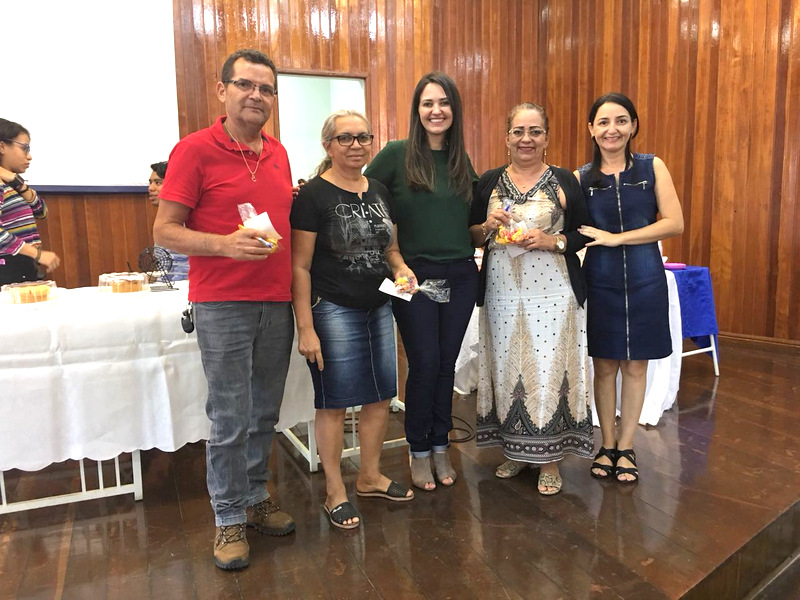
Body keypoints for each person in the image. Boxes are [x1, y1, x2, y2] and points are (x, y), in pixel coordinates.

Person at [153, 48, 295, 570]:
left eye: (266, 88)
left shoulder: (278, 152)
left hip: (276, 301)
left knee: (264, 413)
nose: (256, 95)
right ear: (222, 90)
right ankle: (228, 516)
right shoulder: (193, 150)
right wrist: (223, 244)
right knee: (230, 416)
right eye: (245, 85)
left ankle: (255, 495)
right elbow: (164, 231)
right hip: (222, 305)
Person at [291, 110, 414, 530]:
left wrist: (402, 270)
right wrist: (305, 327)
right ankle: (334, 491)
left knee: (379, 397)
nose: (356, 145)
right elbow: (300, 266)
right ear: (328, 145)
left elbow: (390, 250)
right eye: (345, 138)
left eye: (363, 137)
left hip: (379, 306)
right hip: (332, 310)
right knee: (335, 401)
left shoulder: (378, 190)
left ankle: (369, 476)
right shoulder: (312, 196)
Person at [470, 103, 594, 495]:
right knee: (508, 369)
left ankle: (550, 459)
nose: (527, 139)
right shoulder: (488, 182)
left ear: (546, 137)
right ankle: (515, 451)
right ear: (507, 137)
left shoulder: (563, 180)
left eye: (535, 131)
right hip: (502, 293)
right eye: (519, 131)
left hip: (554, 293)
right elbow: (470, 234)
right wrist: (487, 225)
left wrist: (553, 240)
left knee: (549, 371)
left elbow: (585, 231)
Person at [364, 72, 478, 491]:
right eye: (428, 103)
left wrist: (493, 227)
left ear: (455, 110)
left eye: (444, 102)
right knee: (425, 362)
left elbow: (470, 226)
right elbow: (361, 191)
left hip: (461, 275)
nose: (436, 110)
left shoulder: (460, 160)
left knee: (446, 364)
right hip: (413, 278)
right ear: (417, 110)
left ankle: (440, 444)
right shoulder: (396, 154)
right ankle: (417, 448)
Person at [576, 92, 684, 483]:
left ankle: (627, 447)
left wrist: (617, 238)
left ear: (633, 126)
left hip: (645, 278)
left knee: (637, 365)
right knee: (604, 365)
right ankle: (606, 445)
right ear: (591, 129)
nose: (613, 129)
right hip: (600, 280)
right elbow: (569, 230)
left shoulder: (652, 167)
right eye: (603, 122)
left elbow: (674, 223)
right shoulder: (581, 178)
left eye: (621, 121)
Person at [0, 119, 60, 285]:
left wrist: (18, 183)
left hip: (22, 266)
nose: (29, 156)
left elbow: (42, 211)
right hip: (6, 268)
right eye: (24, 148)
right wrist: (37, 254)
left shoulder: (12, 183)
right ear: (2, 147)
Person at [147, 161, 189, 281]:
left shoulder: (190, 219)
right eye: (150, 182)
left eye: (158, 183)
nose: (151, 188)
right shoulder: (162, 219)